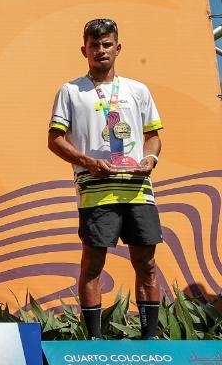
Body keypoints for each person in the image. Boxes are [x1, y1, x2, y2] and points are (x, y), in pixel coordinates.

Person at [48, 18, 164, 340]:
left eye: (107, 44)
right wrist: (86, 161)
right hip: (96, 189)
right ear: (84, 49)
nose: (100, 50)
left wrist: (150, 158)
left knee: (147, 263)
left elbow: (153, 136)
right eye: (94, 45)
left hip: (138, 188)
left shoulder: (137, 90)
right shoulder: (71, 91)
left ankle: (150, 338)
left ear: (118, 48)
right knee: (93, 262)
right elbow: (55, 140)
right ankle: (94, 340)